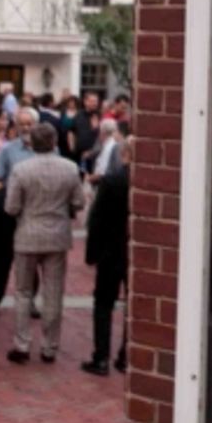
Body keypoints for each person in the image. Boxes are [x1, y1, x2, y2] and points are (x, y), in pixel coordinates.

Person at [4, 123, 84, 364]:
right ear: (55, 141)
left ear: (32, 143)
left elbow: (11, 207)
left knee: (23, 292)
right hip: (57, 235)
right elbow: (79, 202)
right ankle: (49, 347)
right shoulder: (70, 168)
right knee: (53, 293)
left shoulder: (21, 170)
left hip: (28, 233)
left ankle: (22, 344)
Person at [82, 137, 131, 376]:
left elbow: (97, 220)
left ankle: (101, 357)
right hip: (134, 255)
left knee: (103, 304)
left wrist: (91, 254)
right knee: (134, 306)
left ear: (124, 154)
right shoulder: (146, 181)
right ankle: (126, 356)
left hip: (110, 253)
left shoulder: (111, 181)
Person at [0, 106, 39, 317]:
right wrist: (9, 197)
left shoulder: (47, 149)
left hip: (34, 213)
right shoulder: (7, 150)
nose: (25, 128)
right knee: (2, 258)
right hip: (9, 213)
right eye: (22, 124)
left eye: (29, 124)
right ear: (15, 126)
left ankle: (31, 301)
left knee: (30, 260)